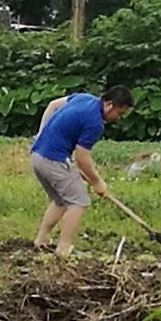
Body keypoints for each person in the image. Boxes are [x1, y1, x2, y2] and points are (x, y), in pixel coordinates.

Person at [25, 83, 126, 252]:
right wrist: (97, 182)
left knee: (60, 200)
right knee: (79, 201)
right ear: (109, 105)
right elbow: (82, 156)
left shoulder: (84, 98)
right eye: (119, 113)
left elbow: (52, 106)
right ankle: (63, 249)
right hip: (52, 160)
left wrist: (41, 135)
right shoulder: (95, 123)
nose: (119, 118)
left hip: (37, 156)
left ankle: (41, 240)